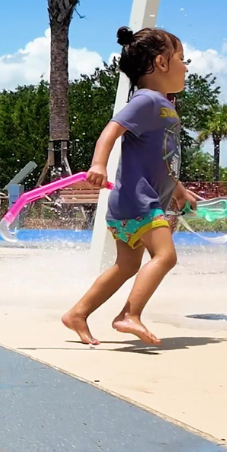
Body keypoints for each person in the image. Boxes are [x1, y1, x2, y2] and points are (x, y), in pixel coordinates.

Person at [62, 26, 194, 347]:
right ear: (161, 62)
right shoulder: (147, 100)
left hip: (133, 202)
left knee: (127, 265)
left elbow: (162, 159)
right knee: (165, 256)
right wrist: (98, 163)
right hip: (140, 201)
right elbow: (111, 129)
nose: (186, 67)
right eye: (181, 59)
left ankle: (78, 313)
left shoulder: (165, 106)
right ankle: (129, 315)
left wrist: (178, 190)